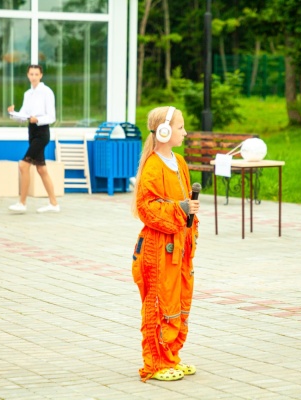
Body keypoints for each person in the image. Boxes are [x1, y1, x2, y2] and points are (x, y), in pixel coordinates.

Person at [131, 106, 200, 382]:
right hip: (158, 248)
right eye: (180, 127)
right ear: (163, 131)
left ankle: (171, 356)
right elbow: (146, 207)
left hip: (179, 246)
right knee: (159, 303)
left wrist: (189, 215)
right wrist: (180, 208)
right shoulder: (153, 165)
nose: (185, 132)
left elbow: (185, 203)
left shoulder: (179, 162)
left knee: (179, 301)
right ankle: (156, 363)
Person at [8, 64, 60, 213]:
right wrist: (13, 113)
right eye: (31, 74)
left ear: (41, 75)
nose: (34, 77)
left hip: (42, 133)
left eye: (36, 74)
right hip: (31, 132)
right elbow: (23, 116)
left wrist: (37, 119)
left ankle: (22, 203)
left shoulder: (47, 92)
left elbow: (52, 117)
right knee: (41, 169)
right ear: (27, 75)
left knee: (23, 165)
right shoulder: (27, 94)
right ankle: (54, 204)